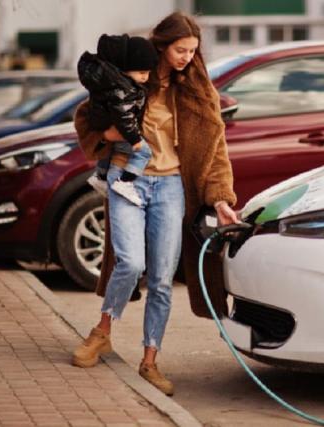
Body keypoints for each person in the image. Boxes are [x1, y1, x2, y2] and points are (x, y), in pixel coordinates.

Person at [71, 12, 240, 396]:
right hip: (125, 179)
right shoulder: (130, 75)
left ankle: (150, 359)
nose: (186, 57)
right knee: (129, 262)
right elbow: (86, 116)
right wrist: (107, 135)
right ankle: (102, 331)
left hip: (170, 187)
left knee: (163, 279)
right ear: (161, 46)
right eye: (180, 49)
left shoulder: (197, 91)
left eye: (193, 51)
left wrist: (221, 199)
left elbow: (216, 151)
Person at [77, 34, 158, 206]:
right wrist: (135, 138)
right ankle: (126, 182)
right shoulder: (124, 89)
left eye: (149, 73)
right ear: (126, 70)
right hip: (121, 131)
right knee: (144, 152)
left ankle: (100, 176)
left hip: (104, 123)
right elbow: (124, 116)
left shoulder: (113, 83)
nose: (146, 78)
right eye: (142, 73)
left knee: (109, 149)